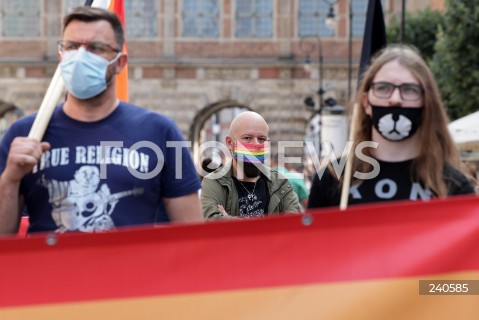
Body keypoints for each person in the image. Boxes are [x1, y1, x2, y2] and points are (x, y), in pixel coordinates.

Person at [0, 7, 202, 234]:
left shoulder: (160, 132)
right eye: (72, 46)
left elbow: (192, 238)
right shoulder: (25, 134)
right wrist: (9, 179)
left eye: (96, 48)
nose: (81, 55)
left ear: (120, 62)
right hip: (51, 268)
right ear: (61, 55)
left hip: (131, 268)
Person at [308, 44, 476, 209]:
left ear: (426, 102)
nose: (395, 98)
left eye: (409, 89)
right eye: (383, 88)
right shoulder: (332, 179)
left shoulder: (454, 187)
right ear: (366, 102)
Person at [201, 111, 301, 219]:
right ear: (230, 143)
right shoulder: (215, 182)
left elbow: (296, 225)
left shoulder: (280, 183)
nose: (256, 144)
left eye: (261, 139)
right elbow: (212, 224)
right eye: (247, 138)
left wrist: (228, 220)